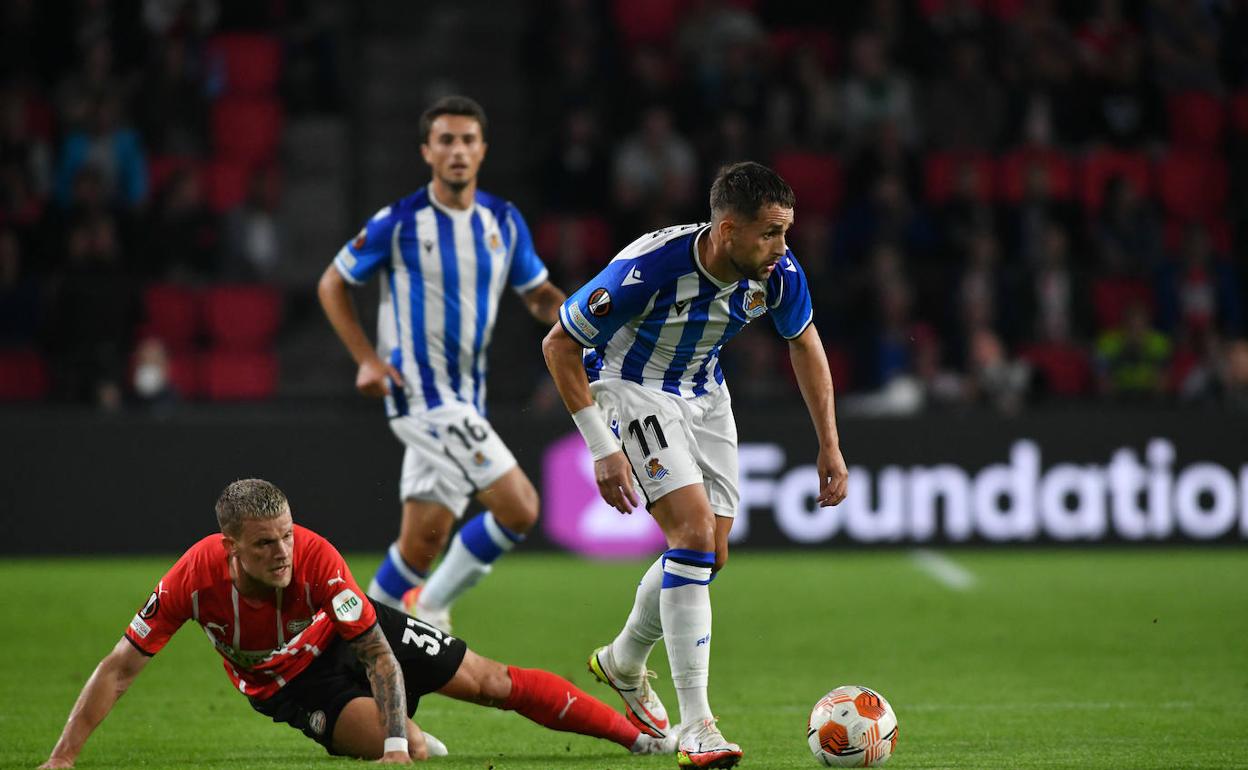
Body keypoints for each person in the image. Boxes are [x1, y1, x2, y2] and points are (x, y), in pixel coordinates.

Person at [542, 161, 849, 768]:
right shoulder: (648, 269)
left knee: (712, 554)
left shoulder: (778, 272)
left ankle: (623, 660)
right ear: (728, 230)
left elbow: (805, 343)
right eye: (770, 233)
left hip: (705, 392)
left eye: (786, 232)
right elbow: (558, 344)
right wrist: (602, 447)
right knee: (691, 536)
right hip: (631, 387)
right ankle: (697, 726)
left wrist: (830, 444)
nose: (782, 247)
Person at [39, 479, 674, 768]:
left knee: (491, 683)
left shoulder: (317, 559)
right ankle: (411, 735)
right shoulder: (192, 579)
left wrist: (390, 748)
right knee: (417, 748)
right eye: (264, 544)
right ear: (230, 547)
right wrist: (62, 759)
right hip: (292, 686)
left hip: (354, 638)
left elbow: (376, 653)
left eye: (286, 535)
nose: (282, 553)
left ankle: (639, 740)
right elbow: (120, 668)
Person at [318, 96, 566, 631]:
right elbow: (333, 281)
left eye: (468, 140)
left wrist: (580, 321)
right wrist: (367, 360)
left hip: (467, 397)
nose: (458, 150)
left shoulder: (502, 220)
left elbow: (538, 295)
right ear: (427, 151)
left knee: (419, 546)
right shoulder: (400, 222)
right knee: (520, 507)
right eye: (446, 140)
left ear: (483, 150)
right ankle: (429, 606)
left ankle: (357, 643)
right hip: (421, 396)